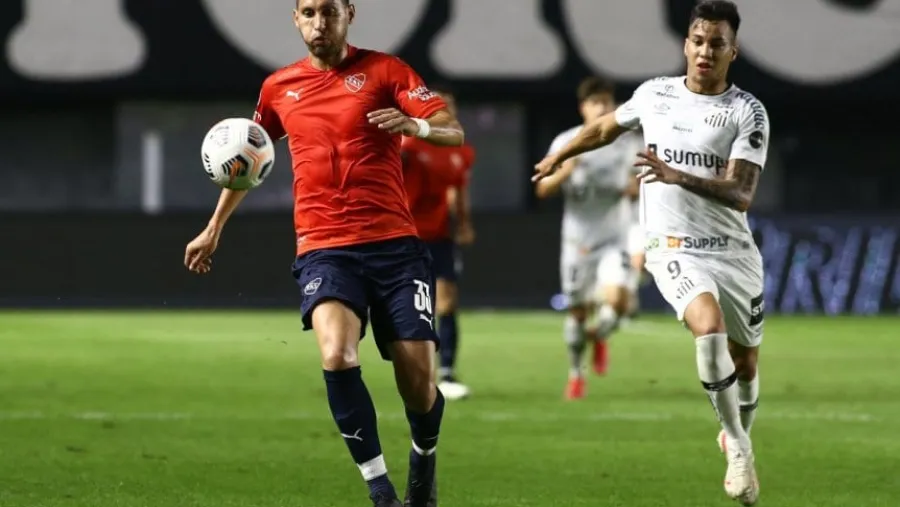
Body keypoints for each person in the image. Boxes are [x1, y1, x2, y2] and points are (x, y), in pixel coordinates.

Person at [183, 1, 465, 506]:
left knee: (419, 387)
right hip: (325, 249)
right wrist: (213, 228)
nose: (319, 23)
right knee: (337, 355)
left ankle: (424, 455)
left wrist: (414, 126)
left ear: (348, 14)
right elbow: (247, 159)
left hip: (396, 249)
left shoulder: (385, 71)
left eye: (329, 12)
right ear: (295, 19)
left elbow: (451, 129)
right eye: (309, 12)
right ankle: (381, 492)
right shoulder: (278, 88)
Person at [533, 1, 767, 504]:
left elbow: (742, 193)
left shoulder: (746, 112)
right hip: (674, 246)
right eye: (698, 41)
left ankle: (737, 428)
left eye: (717, 44)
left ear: (733, 51)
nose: (706, 51)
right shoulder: (655, 95)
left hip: (733, 250)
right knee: (708, 329)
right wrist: (561, 154)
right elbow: (603, 129)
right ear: (686, 44)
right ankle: (740, 448)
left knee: (745, 363)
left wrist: (675, 174)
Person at [536, 76, 642, 399]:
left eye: (606, 103)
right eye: (595, 102)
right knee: (578, 313)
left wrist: (637, 186)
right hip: (577, 242)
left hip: (615, 238)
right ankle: (576, 374)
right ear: (583, 108)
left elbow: (644, 182)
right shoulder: (567, 142)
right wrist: (565, 170)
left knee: (619, 304)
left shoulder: (628, 143)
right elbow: (542, 188)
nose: (601, 108)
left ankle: (600, 336)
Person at [401, 86, 476, 401]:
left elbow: (459, 190)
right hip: (408, 235)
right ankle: (419, 371)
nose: (446, 111)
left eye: (450, 106)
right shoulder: (411, 145)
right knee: (417, 308)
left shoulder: (461, 152)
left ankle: (446, 370)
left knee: (447, 302)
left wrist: (464, 223)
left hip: (441, 236)